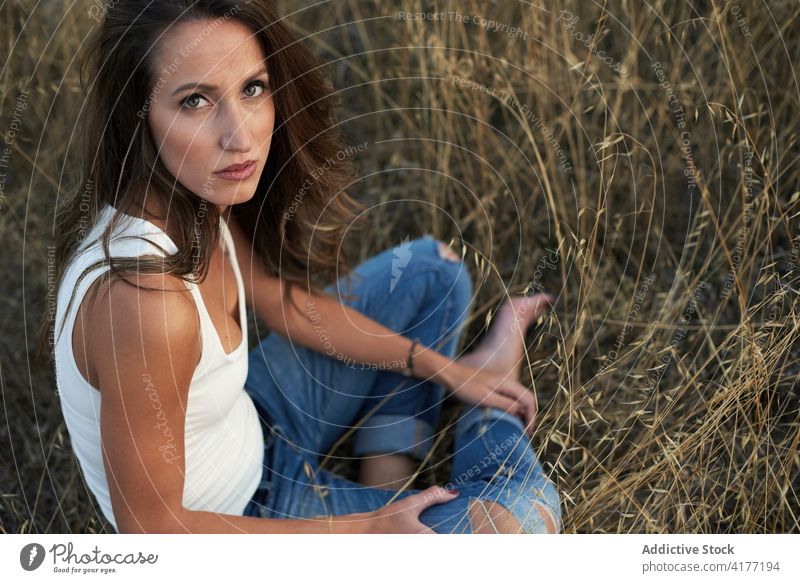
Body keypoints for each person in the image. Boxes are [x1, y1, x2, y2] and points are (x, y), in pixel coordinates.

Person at [40, 0, 561, 534]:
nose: (240, 137)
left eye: (252, 88)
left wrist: (443, 368)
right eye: (195, 100)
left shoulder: (195, 197)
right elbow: (155, 532)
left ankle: (387, 477)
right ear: (137, 114)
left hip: (250, 420)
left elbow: (288, 309)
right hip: (237, 520)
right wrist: (367, 531)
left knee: (434, 273)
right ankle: (485, 419)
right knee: (517, 527)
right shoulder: (145, 303)